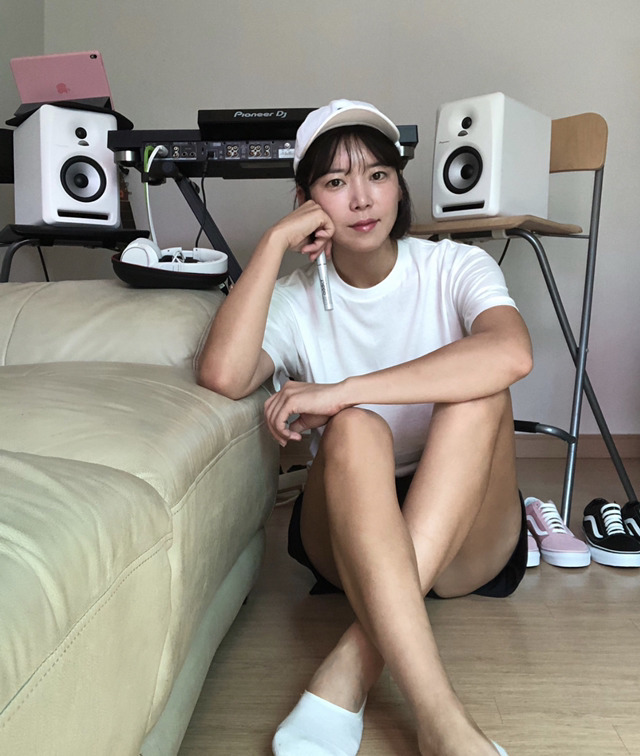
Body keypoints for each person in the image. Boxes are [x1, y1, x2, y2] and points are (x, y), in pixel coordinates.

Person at [197, 99, 532, 756]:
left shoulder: (454, 266)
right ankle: (442, 721)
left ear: (398, 186)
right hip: (348, 526)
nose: (361, 198)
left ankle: (350, 667)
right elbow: (222, 376)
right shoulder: (295, 298)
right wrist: (272, 244)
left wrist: (344, 390)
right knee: (353, 430)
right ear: (306, 202)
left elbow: (511, 353)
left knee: (478, 393)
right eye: (335, 181)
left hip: (467, 532)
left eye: (378, 175)